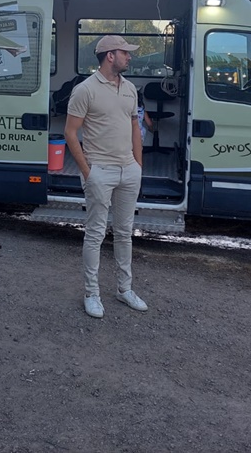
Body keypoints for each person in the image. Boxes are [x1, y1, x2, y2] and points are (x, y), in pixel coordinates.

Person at [64, 35, 147, 319]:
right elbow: (70, 133)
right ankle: (92, 293)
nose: (130, 57)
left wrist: (138, 164)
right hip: (100, 170)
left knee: (125, 233)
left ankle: (124, 290)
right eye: (126, 53)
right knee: (96, 234)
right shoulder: (85, 90)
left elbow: (134, 125)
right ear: (110, 55)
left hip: (128, 170)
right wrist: (88, 172)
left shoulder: (130, 89)